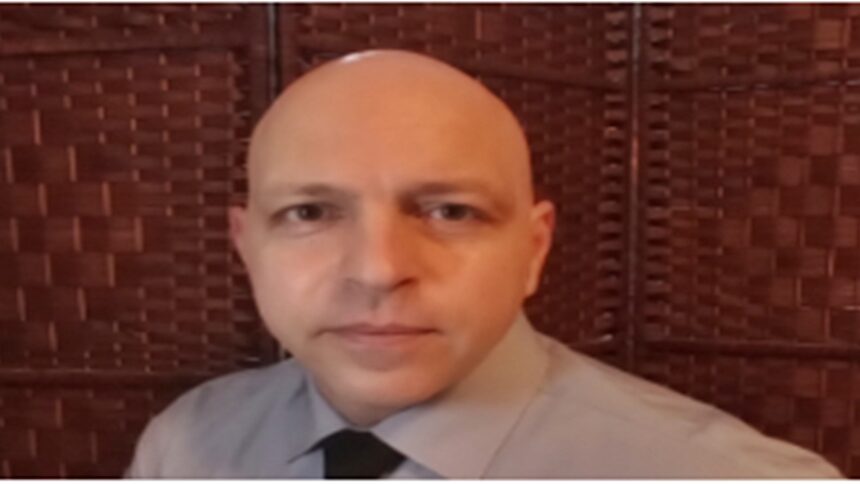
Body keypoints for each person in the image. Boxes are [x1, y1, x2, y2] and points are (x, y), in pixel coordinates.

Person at [126, 50, 841, 478]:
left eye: (450, 211)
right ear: (247, 247)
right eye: (310, 212)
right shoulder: (186, 447)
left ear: (533, 249)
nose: (378, 269)